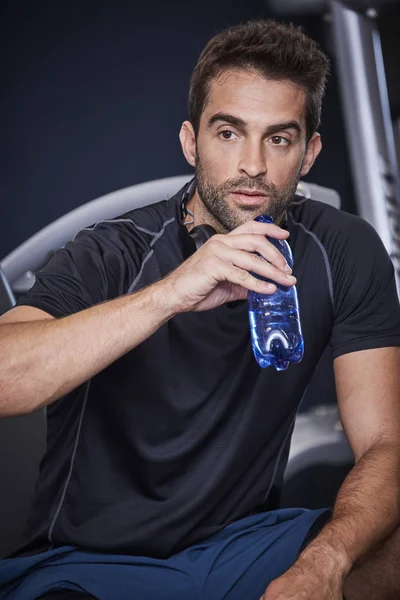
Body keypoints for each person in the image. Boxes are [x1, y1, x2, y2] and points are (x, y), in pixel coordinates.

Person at [0, 18, 399, 600]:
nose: (254, 166)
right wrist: (172, 292)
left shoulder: (343, 249)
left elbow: (387, 443)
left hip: (244, 548)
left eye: (280, 138)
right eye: (229, 133)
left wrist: (327, 563)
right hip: (92, 565)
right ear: (191, 141)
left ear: (309, 152)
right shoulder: (116, 250)